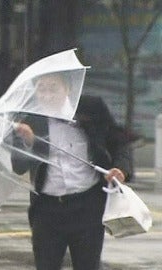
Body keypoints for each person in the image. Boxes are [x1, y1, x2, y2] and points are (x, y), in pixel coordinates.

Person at [11, 73, 134, 270]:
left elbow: (119, 142)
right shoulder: (29, 118)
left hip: (87, 206)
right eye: (42, 89)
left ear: (68, 89)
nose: (47, 95)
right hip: (47, 209)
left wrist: (120, 169)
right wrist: (29, 143)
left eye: (53, 88)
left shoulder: (91, 109)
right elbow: (18, 166)